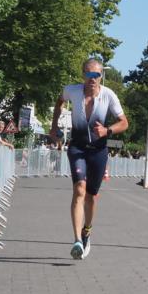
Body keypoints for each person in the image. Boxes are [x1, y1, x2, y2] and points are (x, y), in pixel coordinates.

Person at [50, 59, 129, 260]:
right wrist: (54, 126)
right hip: (77, 147)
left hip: (98, 151)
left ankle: (87, 230)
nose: (92, 79)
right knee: (79, 190)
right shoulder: (72, 91)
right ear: (83, 75)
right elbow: (59, 101)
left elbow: (124, 122)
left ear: (101, 76)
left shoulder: (108, 95)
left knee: (91, 196)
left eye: (96, 75)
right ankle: (77, 240)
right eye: (88, 74)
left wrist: (107, 130)